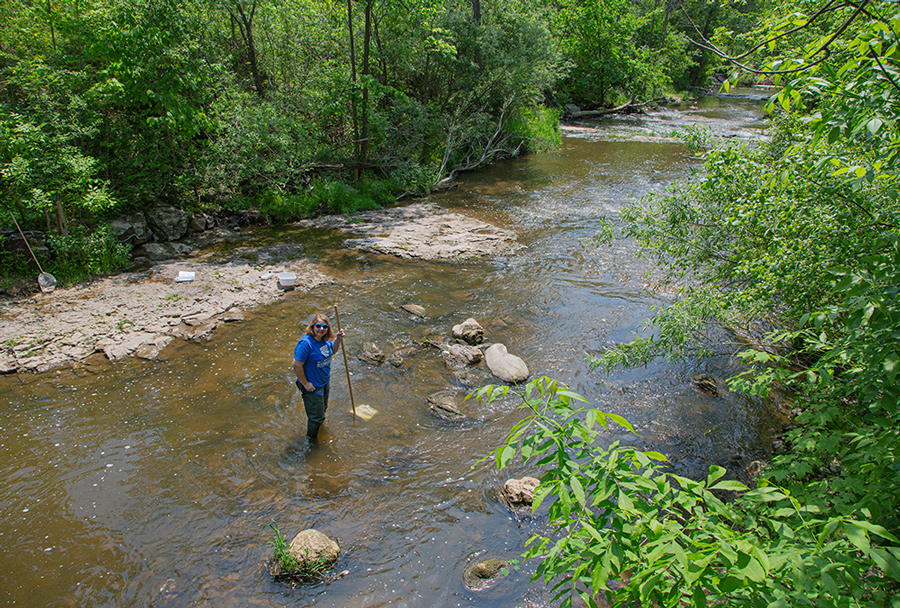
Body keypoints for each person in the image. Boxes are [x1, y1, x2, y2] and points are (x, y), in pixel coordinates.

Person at [292, 313, 343, 442]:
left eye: (324, 326)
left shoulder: (325, 341)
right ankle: (312, 442)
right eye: (318, 326)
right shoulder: (306, 343)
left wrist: (338, 339)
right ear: (312, 326)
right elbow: (296, 365)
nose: (321, 329)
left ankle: (319, 429)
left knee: (323, 409)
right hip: (312, 386)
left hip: (324, 382)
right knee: (316, 417)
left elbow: (333, 351)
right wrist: (305, 383)